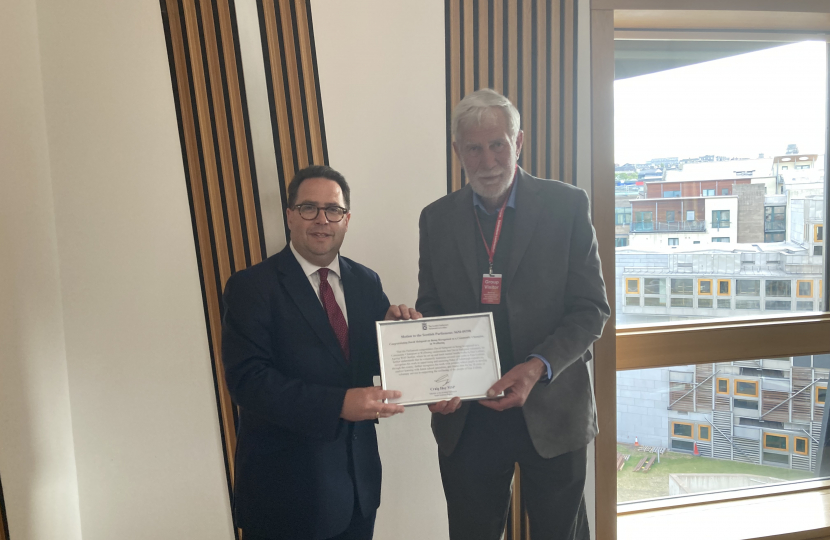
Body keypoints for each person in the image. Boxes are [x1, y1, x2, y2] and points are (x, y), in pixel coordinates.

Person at [417, 88, 610, 540]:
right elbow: (432, 308)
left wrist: (536, 367)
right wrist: (435, 378)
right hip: (468, 415)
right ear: (457, 151)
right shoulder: (436, 219)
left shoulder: (567, 206)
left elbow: (591, 309)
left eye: (498, 144)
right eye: (474, 148)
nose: (487, 161)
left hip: (552, 404)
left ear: (519, 142)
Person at [221, 165, 418, 540]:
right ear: (290, 215)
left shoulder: (366, 282)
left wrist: (401, 336)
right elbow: (248, 382)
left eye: (333, 210)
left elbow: (369, 366)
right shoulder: (251, 287)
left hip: (357, 490)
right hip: (285, 495)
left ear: (347, 219)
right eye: (309, 208)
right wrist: (338, 404)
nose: (322, 220)